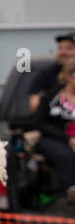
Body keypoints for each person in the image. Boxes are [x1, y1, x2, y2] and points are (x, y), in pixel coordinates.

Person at [31, 59, 75, 202]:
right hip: (54, 138)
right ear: (68, 76)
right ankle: (70, 191)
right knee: (65, 154)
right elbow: (40, 123)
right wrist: (68, 140)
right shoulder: (50, 97)